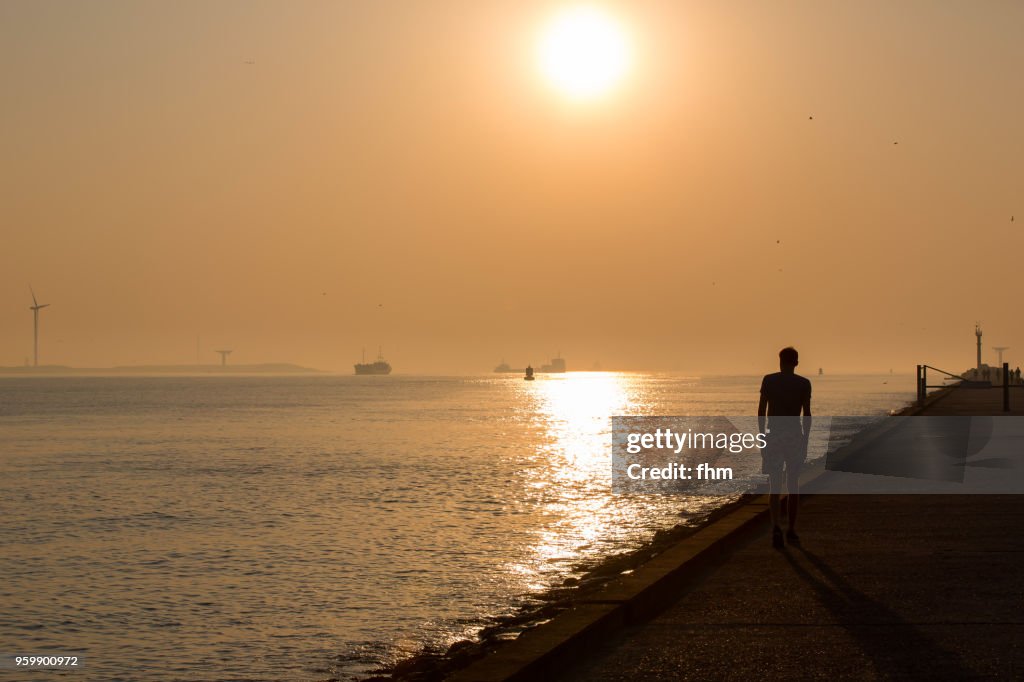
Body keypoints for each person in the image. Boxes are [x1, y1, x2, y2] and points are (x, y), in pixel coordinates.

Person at [758, 347, 812, 549]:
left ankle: (775, 528)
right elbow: (806, 414)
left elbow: (761, 411)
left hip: (774, 435)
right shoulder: (803, 384)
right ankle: (791, 529)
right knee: (793, 484)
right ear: (796, 362)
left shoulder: (769, 381)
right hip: (794, 436)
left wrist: (762, 436)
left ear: (779, 361)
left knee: (774, 484)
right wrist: (805, 440)